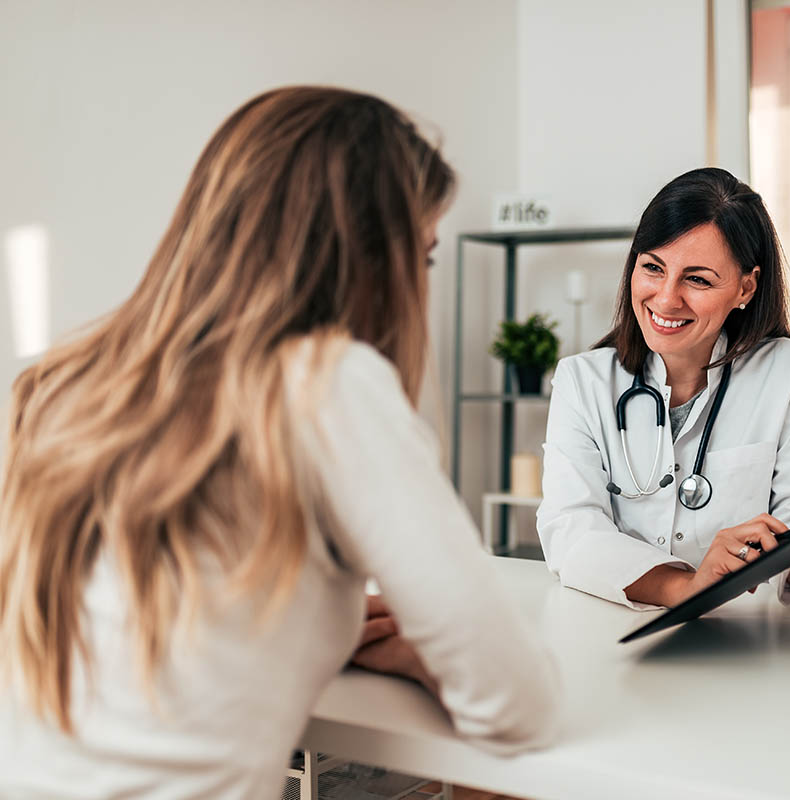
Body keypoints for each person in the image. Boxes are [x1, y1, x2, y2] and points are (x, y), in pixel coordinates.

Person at [0, 87, 559, 799]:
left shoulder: (70, 383)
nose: (421, 284)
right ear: (367, 256)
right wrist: (425, 657)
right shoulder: (326, 384)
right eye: (422, 258)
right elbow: (519, 706)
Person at [536, 168, 790, 610]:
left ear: (745, 287)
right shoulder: (581, 381)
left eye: (697, 279)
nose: (665, 299)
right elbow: (571, 529)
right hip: (612, 629)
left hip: (749, 637)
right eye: (653, 268)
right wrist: (687, 587)